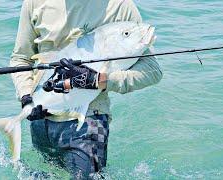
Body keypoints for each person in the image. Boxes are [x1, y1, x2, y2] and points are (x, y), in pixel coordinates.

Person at [10, 0, 163, 179]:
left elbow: (152, 70)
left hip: (90, 120)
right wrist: (26, 96)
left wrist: (101, 80)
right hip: (41, 120)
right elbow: (21, 59)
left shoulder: (120, 5)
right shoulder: (34, 3)